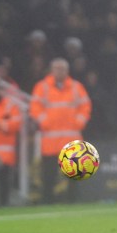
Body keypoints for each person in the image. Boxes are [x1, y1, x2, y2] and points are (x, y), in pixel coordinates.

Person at [29, 58, 91, 204]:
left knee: (75, 173)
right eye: (57, 68)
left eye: (62, 68)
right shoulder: (42, 87)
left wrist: (79, 122)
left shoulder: (77, 87)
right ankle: (47, 200)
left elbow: (86, 107)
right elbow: (35, 108)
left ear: (67, 70)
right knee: (48, 174)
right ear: (51, 70)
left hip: (71, 137)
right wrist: (45, 121)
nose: (59, 71)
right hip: (50, 139)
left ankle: (73, 201)